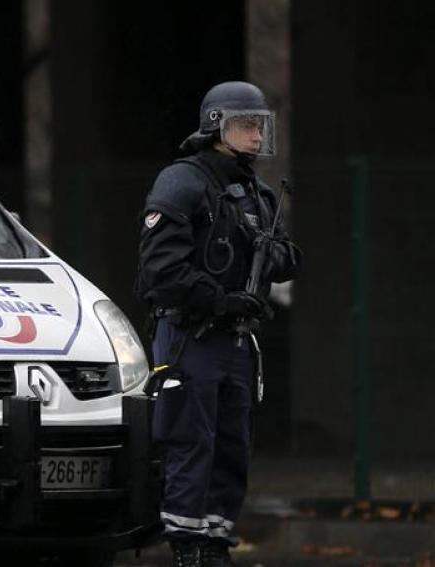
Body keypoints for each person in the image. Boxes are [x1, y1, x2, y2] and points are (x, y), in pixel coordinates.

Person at [135, 81, 301, 567]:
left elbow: (288, 257)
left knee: (233, 446)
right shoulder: (182, 182)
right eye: (246, 124)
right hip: (192, 335)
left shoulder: (256, 191)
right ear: (216, 126)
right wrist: (218, 299)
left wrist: (273, 258)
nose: (256, 134)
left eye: (259, 125)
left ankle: (216, 543)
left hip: (236, 340)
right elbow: (160, 271)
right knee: (191, 440)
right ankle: (186, 546)